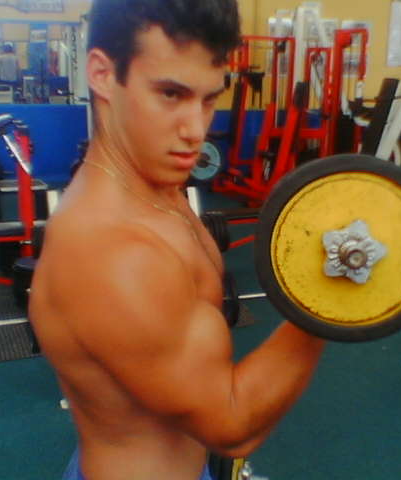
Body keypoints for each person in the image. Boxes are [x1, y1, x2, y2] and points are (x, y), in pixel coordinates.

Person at [29, 1, 327, 479]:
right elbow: (232, 423)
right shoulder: (110, 253)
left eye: (209, 99)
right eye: (170, 94)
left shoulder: (156, 183)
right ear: (102, 74)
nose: (196, 131)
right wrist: (326, 303)